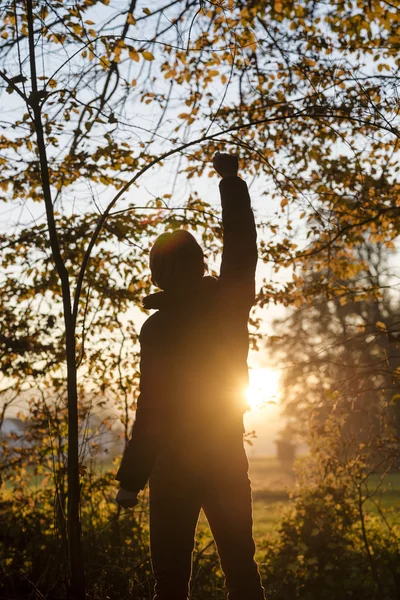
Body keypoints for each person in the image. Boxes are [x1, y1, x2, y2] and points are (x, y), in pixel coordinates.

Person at [115, 152, 265, 600]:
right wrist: (231, 183)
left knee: (171, 585)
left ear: (157, 275)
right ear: (200, 266)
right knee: (241, 574)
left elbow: (152, 409)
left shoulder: (158, 327)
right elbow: (242, 248)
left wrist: (131, 478)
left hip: (174, 467)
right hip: (222, 456)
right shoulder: (225, 304)